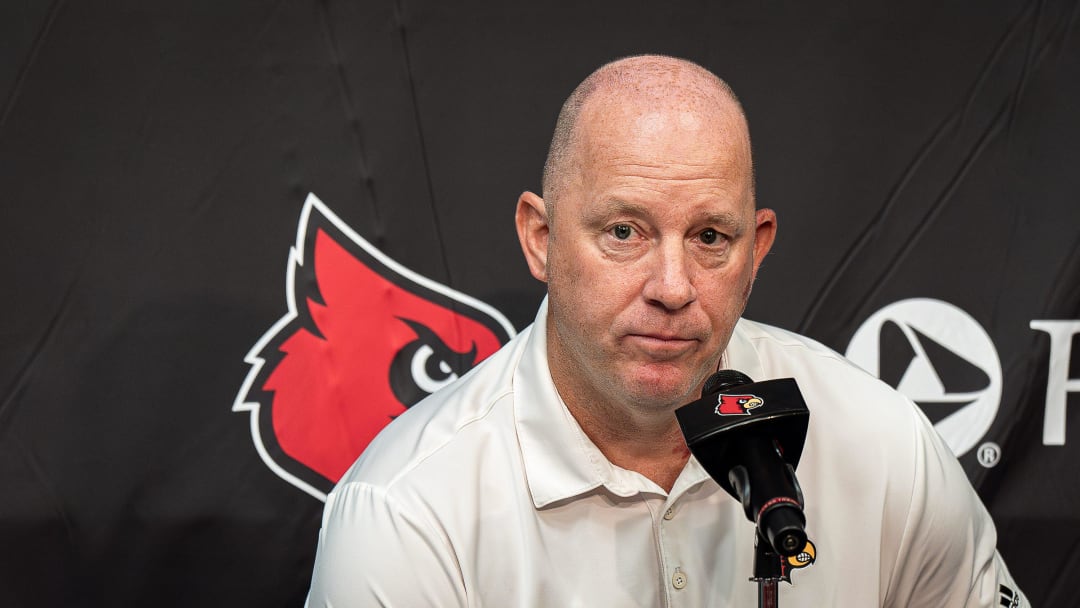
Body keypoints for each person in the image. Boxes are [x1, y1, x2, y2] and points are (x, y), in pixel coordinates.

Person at [306, 55, 1026, 607]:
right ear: (540, 238)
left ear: (757, 251)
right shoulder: (406, 513)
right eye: (624, 232)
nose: (674, 287)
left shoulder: (883, 444)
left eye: (711, 236)